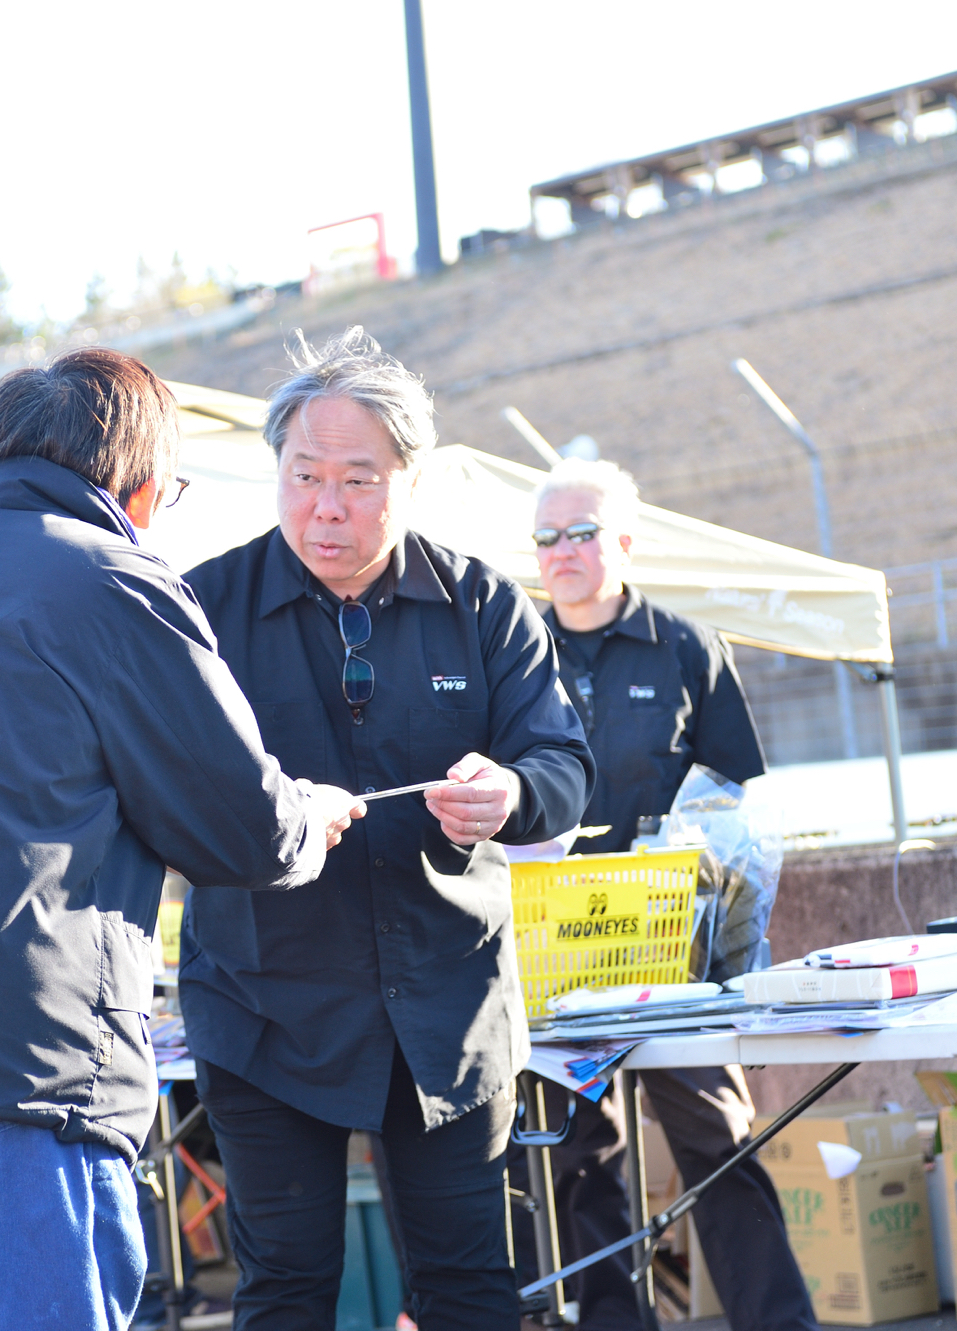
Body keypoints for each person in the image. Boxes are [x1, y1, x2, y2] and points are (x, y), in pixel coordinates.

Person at [0, 346, 364, 1331]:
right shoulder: (110, 578)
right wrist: (311, 813)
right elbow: (240, 824)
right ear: (141, 485)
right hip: (12, 1067)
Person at [180, 327, 595, 1329]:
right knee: (285, 1287)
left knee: (468, 1285)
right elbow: (167, 791)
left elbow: (563, 762)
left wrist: (512, 791)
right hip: (265, 1006)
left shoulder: (482, 603)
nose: (325, 506)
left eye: (357, 480)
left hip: (446, 1000)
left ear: (411, 478)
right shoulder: (203, 607)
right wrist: (277, 816)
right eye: (304, 475)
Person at [519, 459, 814, 1331]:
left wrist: (730, 956)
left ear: (624, 540)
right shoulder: (515, 654)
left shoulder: (686, 647)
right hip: (557, 951)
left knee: (719, 1144)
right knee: (580, 1159)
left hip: (672, 950)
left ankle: (779, 1323)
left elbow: (736, 811)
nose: (562, 551)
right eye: (546, 537)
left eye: (581, 532)